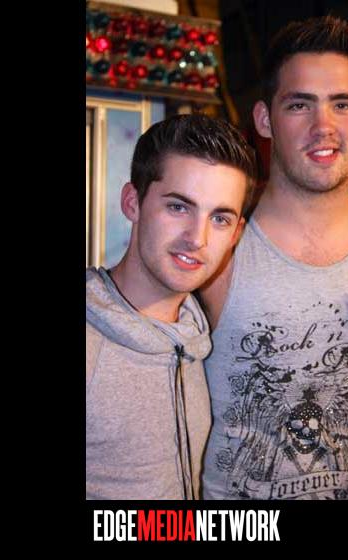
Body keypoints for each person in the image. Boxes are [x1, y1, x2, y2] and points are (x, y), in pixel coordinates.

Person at [198, 16, 348, 500]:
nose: (324, 127)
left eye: (342, 104)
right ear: (265, 119)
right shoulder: (217, 247)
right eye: (299, 105)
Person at [86, 114, 257, 500]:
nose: (197, 238)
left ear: (236, 233)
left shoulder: (198, 338)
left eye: (219, 218)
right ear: (133, 202)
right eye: (179, 207)